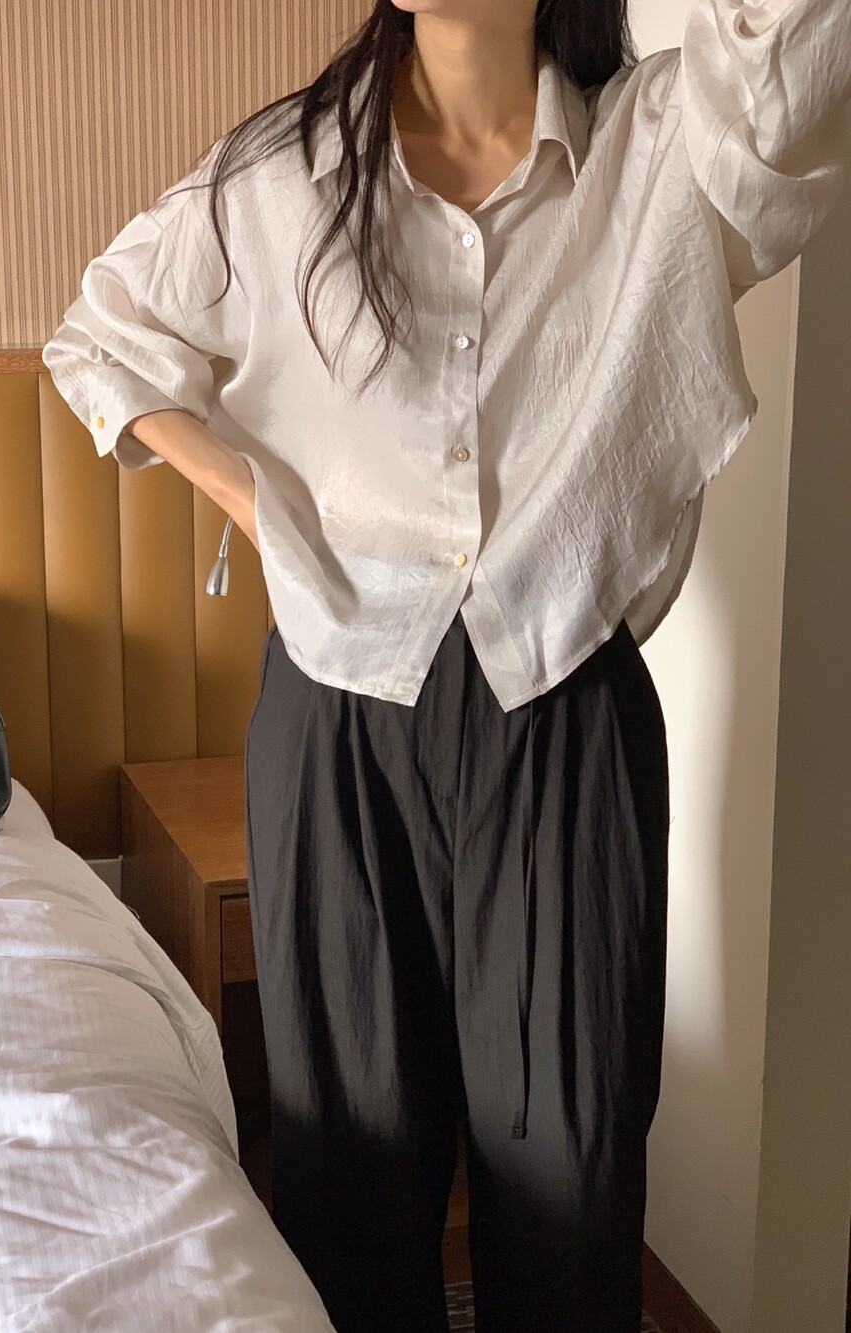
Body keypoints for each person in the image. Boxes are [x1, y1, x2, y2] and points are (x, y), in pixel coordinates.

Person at [42, 2, 851, 1328]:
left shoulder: (667, 145)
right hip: (338, 717)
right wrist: (264, 507)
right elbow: (100, 338)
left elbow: (800, 53)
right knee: (348, 1172)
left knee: (572, 1168)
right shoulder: (287, 172)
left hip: (566, 713)